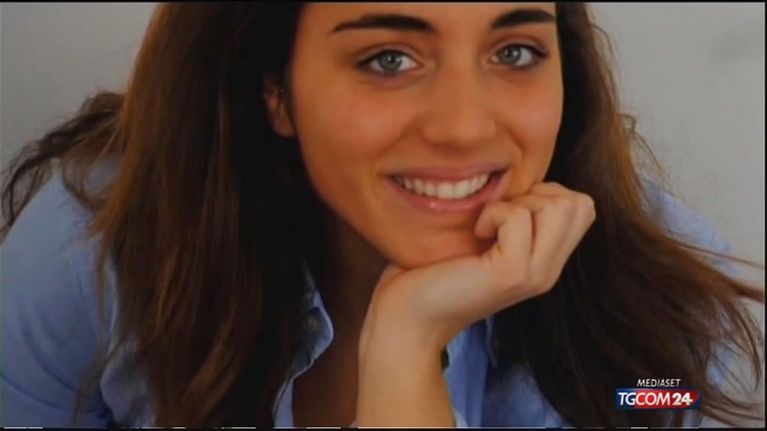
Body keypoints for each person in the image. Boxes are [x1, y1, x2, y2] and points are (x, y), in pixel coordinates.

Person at [0, 2, 763, 428]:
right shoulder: (95, 246)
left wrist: (406, 345)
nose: (464, 127)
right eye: (388, 59)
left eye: (514, 52)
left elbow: (672, 397)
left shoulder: (660, 308)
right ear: (276, 92)